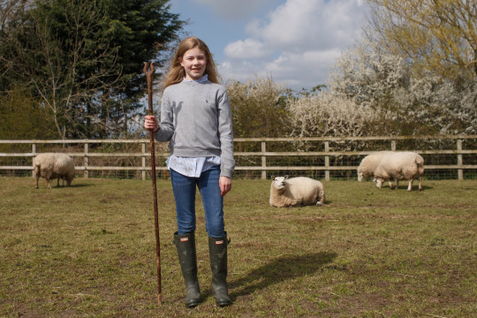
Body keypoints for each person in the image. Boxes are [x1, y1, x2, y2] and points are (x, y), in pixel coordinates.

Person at [143, 36, 234, 308]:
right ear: (181, 61)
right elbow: (166, 133)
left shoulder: (218, 91)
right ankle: (192, 286)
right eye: (190, 58)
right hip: (180, 165)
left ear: (207, 61)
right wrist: (154, 128)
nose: (196, 62)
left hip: (211, 166)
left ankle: (219, 284)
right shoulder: (171, 93)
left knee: (216, 224)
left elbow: (226, 134)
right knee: (185, 224)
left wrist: (226, 170)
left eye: (200, 58)